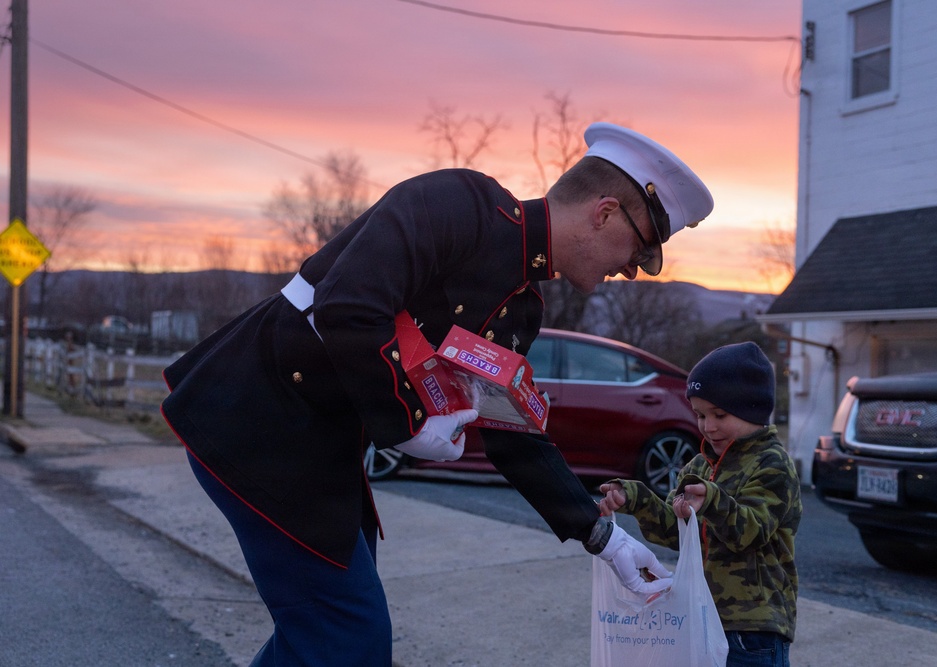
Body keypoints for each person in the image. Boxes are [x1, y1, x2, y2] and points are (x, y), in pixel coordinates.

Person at [160, 122, 714, 666]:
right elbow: (347, 307)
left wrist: (605, 541)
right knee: (348, 636)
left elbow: (511, 435)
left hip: (318, 449)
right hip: (257, 420)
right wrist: (408, 425)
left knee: (328, 639)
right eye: (642, 249)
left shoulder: (522, 309)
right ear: (604, 213)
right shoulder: (459, 206)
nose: (634, 271)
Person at [598, 341, 802, 667]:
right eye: (700, 415)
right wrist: (636, 499)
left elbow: (750, 531)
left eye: (719, 414)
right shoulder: (697, 467)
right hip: (700, 616)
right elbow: (672, 532)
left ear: (752, 408)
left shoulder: (772, 465)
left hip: (753, 628)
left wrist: (713, 502)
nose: (708, 426)